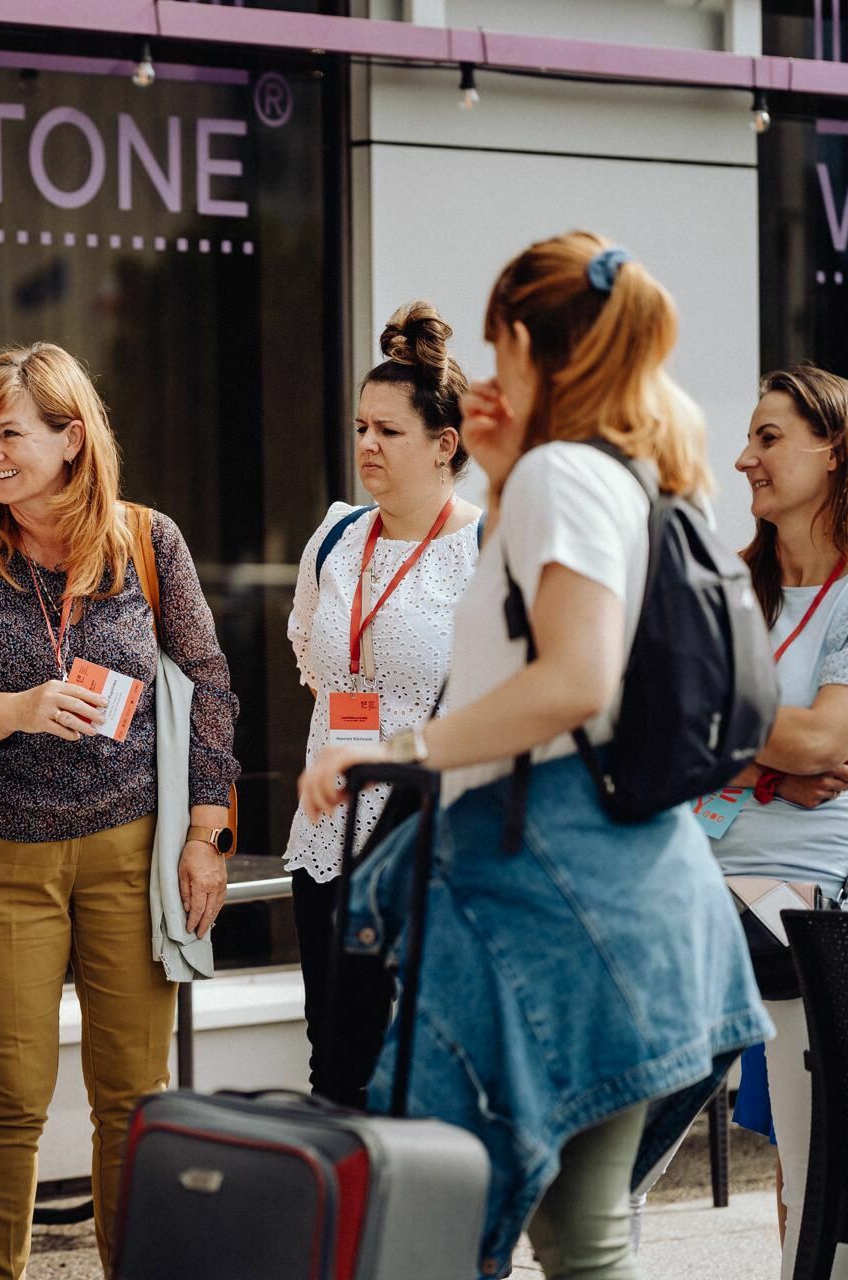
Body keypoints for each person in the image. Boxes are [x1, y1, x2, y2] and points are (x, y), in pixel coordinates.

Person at [299, 232, 769, 1280]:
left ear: (520, 335)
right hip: (626, 881)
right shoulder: (612, 469)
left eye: (493, 336)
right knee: (579, 1225)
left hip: (558, 887)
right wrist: (510, 471)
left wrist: (399, 749)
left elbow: (573, 679)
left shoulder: (566, 476)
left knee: (508, 1223)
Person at [0, 342, 241, 1280]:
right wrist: (10, 712)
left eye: (9, 432)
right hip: (4, 855)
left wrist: (207, 833)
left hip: (132, 849)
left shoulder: (146, 541)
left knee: (133, 1096)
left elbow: (208, 683)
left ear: (71, 435)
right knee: (9, 1094)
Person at [285, 300, 480, 1110]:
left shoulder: (484, 548)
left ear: (445, 444)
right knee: (336, 1056)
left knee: (436, 1056)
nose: (366, 444)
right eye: (362, 426)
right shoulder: (335, 537)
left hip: (433, 835)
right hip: (328, 828)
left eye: (388, 432)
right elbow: (316, 665)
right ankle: (345, 1227)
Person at [707, 365, 848, 1278]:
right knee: (626, 1125)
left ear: (833, 449)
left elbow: (827, 739)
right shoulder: (732, 589)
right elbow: (651, 727)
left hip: (818, 903)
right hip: (702, 882)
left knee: (820, 1173)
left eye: (768, 438)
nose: (743, 459)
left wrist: (722, 739)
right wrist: (769, 763)